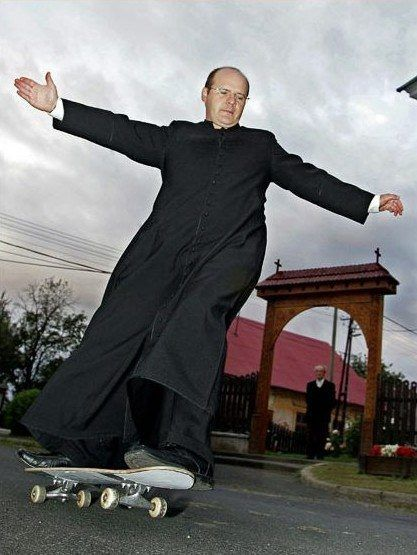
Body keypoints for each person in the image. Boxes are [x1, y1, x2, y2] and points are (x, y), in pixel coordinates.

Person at [13, 66, 403, 489]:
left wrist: (370, 201)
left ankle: (179, 447)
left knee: (195, 319)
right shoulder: (179, 137)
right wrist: (60, 107)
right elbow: (124, 132)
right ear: (205, 93)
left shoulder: (260, 146)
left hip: (230, 254)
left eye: (240, 96)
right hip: (162, 254)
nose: (231, 102)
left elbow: (307, 178)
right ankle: (83, 444)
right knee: (117, 329)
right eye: (223, 92)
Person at [305, 365, 337, 460]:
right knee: (311, 434)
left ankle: (320, 454)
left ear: (324, 373)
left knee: (322, 435)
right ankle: (310, 454)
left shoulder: (330, 385)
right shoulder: (310, 385)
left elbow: (332, 401)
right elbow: (308, 399)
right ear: (315, 373)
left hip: (323, 415)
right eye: (317, 371)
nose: (319, 373)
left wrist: (326, 410)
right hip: (312, 414)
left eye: (321, 371)